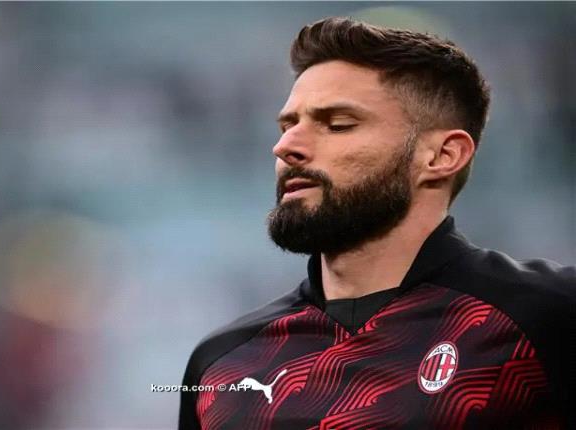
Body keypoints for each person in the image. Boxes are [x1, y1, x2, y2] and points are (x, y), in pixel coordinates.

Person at [179, 17, 575, 429]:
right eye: (288, 125)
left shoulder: (548, 316)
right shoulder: (222, 364)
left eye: (338, 125)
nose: (285, 146)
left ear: (442, 156)